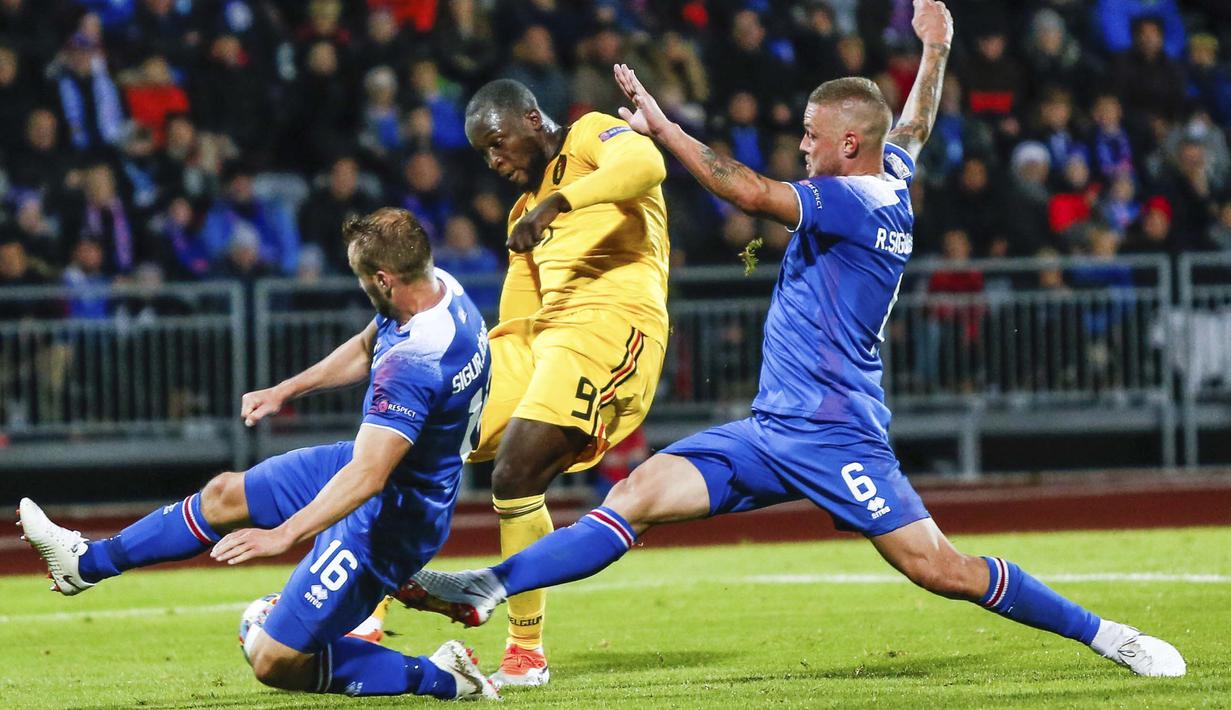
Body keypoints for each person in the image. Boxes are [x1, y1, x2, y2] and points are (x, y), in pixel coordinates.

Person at [398, 0, 1186, 680]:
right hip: (772, 428)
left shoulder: (850, 203)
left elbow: (737, 188)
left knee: (940, 569)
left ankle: (1107, 636)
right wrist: (935, 46)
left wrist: (661, 123)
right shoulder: (889, 173)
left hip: (836, 432)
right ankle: (490, 587)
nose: (800, 144)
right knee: (633, 496)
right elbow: (910, 122)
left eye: (812, 135)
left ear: (847, 145)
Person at [20, 208, 500, 701]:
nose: (361, 288)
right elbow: (366, 344)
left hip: (390, 518)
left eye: (361, 278)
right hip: (377, 471)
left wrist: (284, 535)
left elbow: (369, 476)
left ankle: (444, 678)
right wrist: (286, 389)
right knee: (224, 494)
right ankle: (85, 564)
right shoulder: (436, 287)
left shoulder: (416, 361)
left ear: (384, 279)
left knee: (273, 659)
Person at [449, 77, 670, 686]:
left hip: (614, 323)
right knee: (425, 433)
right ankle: (366, 614)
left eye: (497, 144)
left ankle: (525, 653)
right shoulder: (523, 213)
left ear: (529, 118)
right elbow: (520, 319)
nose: (495, 162)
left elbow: (647, 162)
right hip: (549, 338)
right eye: (483, 155)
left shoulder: (591, 134)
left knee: (516, 471)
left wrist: (561, 202)